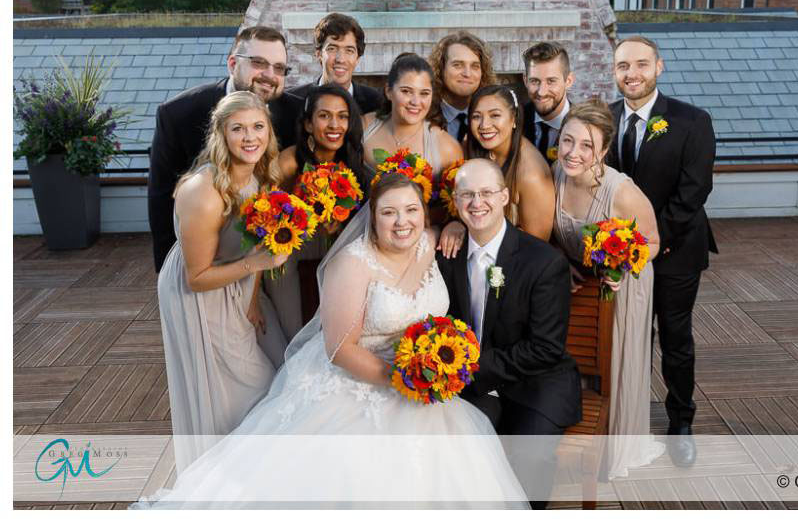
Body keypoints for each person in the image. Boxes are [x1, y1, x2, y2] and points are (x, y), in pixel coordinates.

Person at [137, 172, 528, 508]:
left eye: (411, 210)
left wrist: (455, 225)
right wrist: (407, 381)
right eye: (388, 213)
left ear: (424, 214)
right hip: (360, 381)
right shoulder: (352, 263)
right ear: (372, 217)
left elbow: (446, 231)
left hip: (424, 380)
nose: (401, 222)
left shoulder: (429, 242)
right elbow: (340, 349)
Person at [157, 91, 290, 473]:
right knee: (239, 386)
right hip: (198, 294)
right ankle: (221, 475)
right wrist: (254, 265)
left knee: (272, 366)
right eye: (238, 129)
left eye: (258, 127)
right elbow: (196, 277)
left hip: (237, 282)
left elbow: (259, 241)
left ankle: (249, 470)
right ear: (221, 134)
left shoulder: (262, 176)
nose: (250, 137)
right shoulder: (203, 192)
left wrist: (252, 300)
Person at [436, 159, 581, 508]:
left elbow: (545, 348)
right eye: (467, 194)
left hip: (536, 381)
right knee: (448, 446)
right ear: (455, 202)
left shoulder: (543, 262)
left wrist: (470, 369)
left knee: (529, 456)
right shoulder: (446, 256)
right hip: (475, 385)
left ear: (505, 197)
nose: (477, 203)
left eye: (487, 193)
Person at [606, 36, 717, 468]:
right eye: (623, 66)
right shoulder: (605, 119)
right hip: (617, 254)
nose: (631, 73)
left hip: (676, 249)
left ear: (659, 67)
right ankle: (625, 418)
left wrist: (647, 245)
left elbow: (694, 192)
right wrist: (618, 249)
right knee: (627, 337)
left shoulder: (692, 121)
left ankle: (681, 422)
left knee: (675, 339)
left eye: (640, 64)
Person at [551, 98, 665, 479]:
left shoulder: (621, 192)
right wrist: (563, 262)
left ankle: (618, 445)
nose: (573, 152)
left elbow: (652, 241)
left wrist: (623, 266)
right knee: (581, 358)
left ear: (602, 151)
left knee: (616, 362)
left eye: (586, 145)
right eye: (568, 140)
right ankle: (582, 437)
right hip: (578, 287)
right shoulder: (554, 174)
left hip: (622, 288)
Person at [148, 25, 300, 272]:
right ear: (232, 64)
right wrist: (164, 269)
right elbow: (161, 197)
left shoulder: (296, 113)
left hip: (267, 259)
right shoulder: (178, 114)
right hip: (202, 264)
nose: (270, 75)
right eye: (259, 63)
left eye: (279, 68)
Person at [263, 83, 371, 341]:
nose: (334, 125)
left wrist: (340, 226)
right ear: (309, 124)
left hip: (336, 255)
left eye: (342, 116)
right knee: (295, 334)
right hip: (288, 257)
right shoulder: (290, 162)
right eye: (324, 116)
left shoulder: (355, 161)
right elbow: (262, 218)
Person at [464, 84, 554, 241]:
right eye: (476, 116)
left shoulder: (531, 175)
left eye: (495, 115)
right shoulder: (471, 146)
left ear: (514, 119)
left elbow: (537, 246)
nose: (484, 125)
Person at [363, 52, 463, 178]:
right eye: (406, 91)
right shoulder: (365, 126)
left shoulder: (447, 148)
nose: (415, 102)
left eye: (424, 93)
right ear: (388, 91)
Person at [286, 12, 382, 115]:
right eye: (332, 49)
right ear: (319, 54)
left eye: (349, 50)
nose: (340, 59)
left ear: (357, 58)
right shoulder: (292, 101)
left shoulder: (377, 102)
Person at [428, 31, 497, 142]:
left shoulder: (496, 118)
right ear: (440, 68)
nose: (467, 74)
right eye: (458, 65)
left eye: (475, 66)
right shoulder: (422, 116)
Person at [521, 41, 575, 164]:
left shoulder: (585, 125)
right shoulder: (514, 120)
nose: (542, 92)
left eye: (551, 81)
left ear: (568, 81)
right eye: (534, 81)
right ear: (525, 80)